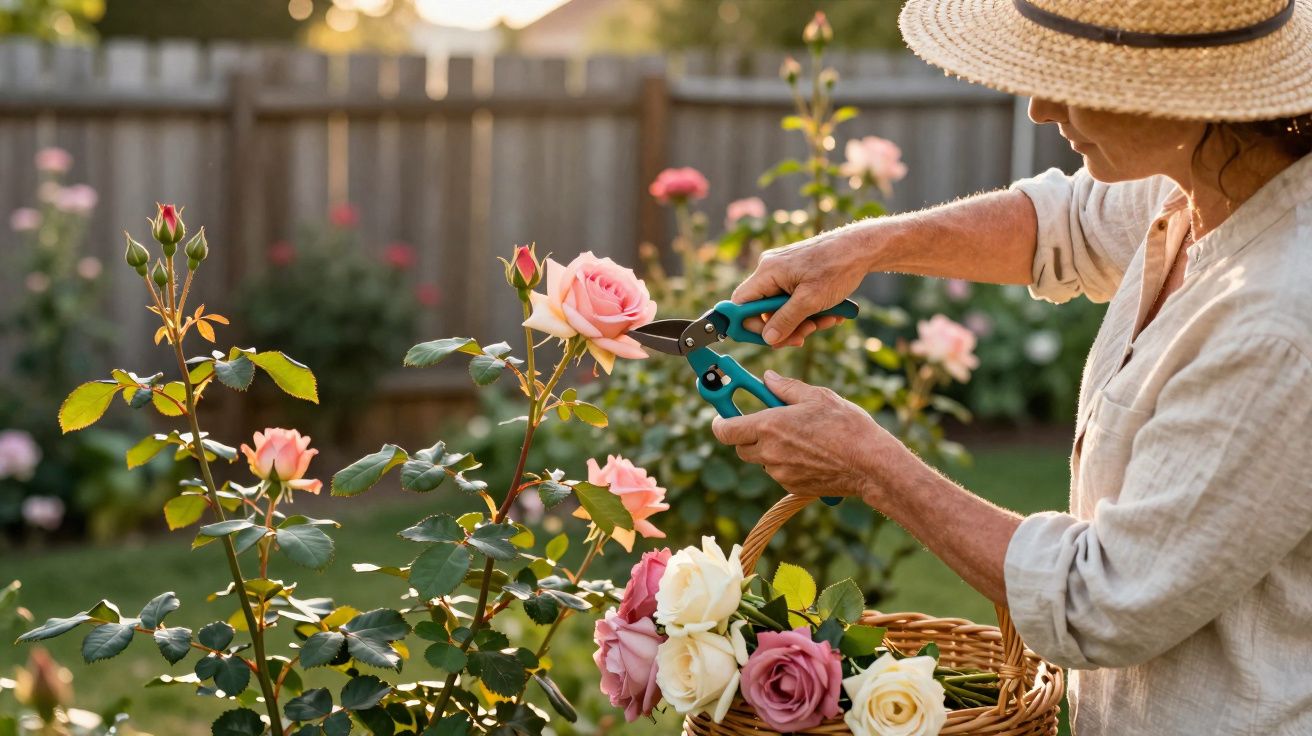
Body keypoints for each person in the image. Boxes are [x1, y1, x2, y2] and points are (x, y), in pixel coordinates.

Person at [710, 1, 1312, 733]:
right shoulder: (1207, 177)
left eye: (1074, 79)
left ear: (1189, 91)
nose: (1038, 107)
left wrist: (869, 466)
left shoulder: (1279, 319)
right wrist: (860, 247)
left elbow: (1099, 601)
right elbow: (1065, 224)